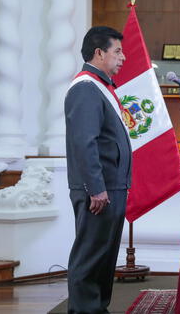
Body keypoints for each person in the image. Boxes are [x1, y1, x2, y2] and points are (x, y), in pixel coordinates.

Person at [65, 26, 132, 313]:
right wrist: (96, 188)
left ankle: (97, 308)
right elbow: (84, 142)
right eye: (117, 51)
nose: (123, 57)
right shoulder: (85, 88)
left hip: (111, 185)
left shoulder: (100, 86)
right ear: (98, 52)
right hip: (98, 189)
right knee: (90, 256)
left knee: (104, 258)